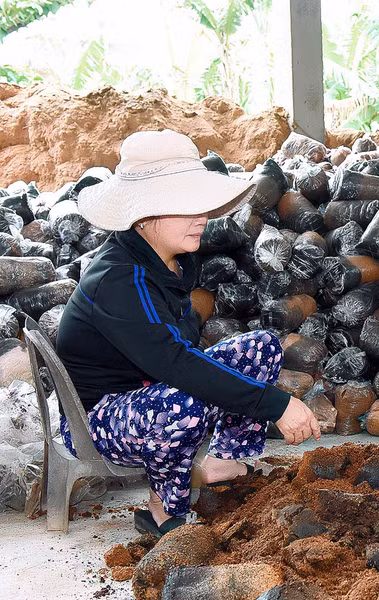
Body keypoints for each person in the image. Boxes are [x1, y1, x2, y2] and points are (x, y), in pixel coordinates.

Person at [56, 129, 321, 537]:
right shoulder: (121, 279)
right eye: (186, 207)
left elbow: (181, 351)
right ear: (144, 216)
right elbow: (176, 363)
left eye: (201, 206)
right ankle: (161, 509)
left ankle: (221, 462)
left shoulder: (171, 260)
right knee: (185, 402)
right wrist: (276, 405)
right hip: (99, 421)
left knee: (262, 347)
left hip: (150, 392)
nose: (202, 218)